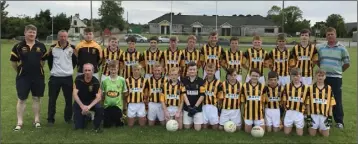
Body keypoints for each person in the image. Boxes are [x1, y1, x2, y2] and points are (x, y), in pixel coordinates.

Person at [10, 24, 47, 131]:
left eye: (34, 32)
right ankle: (19, 122)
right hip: (23, 77)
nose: (32, 34)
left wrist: (37, 69)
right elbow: (13, 61)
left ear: (36, 34)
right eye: (30, 32)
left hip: (38, 76)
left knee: (36, 98)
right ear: (25, 33)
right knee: (21, 99)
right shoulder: (18, 46)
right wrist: (19, 71)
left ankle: (37, 120)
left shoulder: (41, 46)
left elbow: (43, 61)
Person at [317, 27, 350, 129]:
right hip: (323, 78)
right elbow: (317, 61)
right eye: (328, 34)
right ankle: (325, 119)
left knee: (336, 99)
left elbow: (347, 63)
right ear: (326, 36)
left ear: (335, 35)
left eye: (332, 34)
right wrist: (322, 69)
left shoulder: (342, 48)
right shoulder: (320, 48)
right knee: (323, 98)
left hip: (336, 78)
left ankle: (339, 121)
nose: (330, 36)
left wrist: (339, 71)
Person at [47, 30, 77, 126]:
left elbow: (75, 61)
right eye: (61, 36)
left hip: (67, 78)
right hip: (55, 78)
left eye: (65, 36)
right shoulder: (52, 48)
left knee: (68, 99)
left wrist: (67, 70)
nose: (63, 38)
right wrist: (56, 71)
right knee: (52, 99)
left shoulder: (72, 48)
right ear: (58, 37)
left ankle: (68, 118)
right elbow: (50, 62)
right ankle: (50, 119)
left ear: (67, 37)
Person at [72, 63, 103, 133]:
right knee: (79, 127)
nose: (87, 72)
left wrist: (88, 107)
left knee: (99, 108)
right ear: (83, 71)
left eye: (89, 70)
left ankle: (96, 126)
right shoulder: (78, 79)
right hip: (80, 102)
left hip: (91, 102)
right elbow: (74, 94)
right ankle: (87, 117)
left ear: (93, 71)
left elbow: (99, 98)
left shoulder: (96, 82)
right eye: (85, 70)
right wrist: (82, 106)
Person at [306, 69, 335, 137]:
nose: (320, 77)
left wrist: (330, 116)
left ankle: (320, 128)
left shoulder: (329, 88)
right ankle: (311, 127)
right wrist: (308, 116)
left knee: (325, 135)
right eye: (319, 75)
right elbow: (307, 103)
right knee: (312, 134)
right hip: (314, 114)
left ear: (325, 77)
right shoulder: (310, 88)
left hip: (324, 115)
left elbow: (331, 103)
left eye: (322, 76)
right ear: (315, 76)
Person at [282, 68, 310, 136]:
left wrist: (306, 113)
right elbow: (284, 100)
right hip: (289, 112)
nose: (295, 77)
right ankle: (288, 123)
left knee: (299, 134)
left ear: (300, 76)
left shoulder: (306, 88)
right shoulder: (287, 86)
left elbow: (307, 102)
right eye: (293, 76)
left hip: (299, 113)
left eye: (297, 75)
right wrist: (286, 109)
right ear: (291, 76)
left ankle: (301, 122)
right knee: (286, 133)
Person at [102, 60, 127, 128]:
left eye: (115, 69)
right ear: (108, 69)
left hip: (118, 106)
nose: (113, 71)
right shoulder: (104, 81)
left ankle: (120, 117)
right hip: (107, 106)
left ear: (117, 69)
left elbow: (124, 94)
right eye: (111, 69)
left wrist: (124, 108)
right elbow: (103, 95)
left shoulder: (122, 80)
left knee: (119, 126)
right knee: (107, 126)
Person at [181, 62, 206, 131]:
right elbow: (184, 94)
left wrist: (195, 107)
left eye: (194, 69)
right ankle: (191, 120)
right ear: (188, 70)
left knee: (197, 129)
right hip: (187, 108)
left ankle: (194, 119)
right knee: (186, 127)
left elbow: (202, 95)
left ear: (197, 70)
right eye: (190, 69)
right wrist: (189, 106)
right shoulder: (184, 80)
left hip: (197, 108)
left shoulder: (201, 81)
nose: (192, 71)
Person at [241, 68, 266, 133]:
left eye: (256, 76)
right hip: (248, 114)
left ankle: (257, 123)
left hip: (259, 114)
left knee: (262, 132)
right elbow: (243, 102)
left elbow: (263, 102)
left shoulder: (263, 87)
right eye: (253, 75)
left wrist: (263, 113)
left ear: (259, 77)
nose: (254, 77)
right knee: (248, 132)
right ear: (250, 75)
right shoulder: (244, 86)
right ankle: (249, 123)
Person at [202, 63, 222, 130]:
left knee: (215, 128)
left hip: (214, 106)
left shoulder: (219, 83)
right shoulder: (202, 82)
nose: (210, 72)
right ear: (205, 70)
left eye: (211, 71)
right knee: (204, 127)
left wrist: (219, 112)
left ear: (215, 71)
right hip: (204, 106)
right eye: (208, 70)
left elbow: (220, 99)